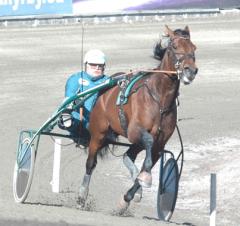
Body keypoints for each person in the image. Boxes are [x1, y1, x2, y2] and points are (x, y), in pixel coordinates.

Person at [58, 49, 109, 143]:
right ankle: (67, 121)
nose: (97, 68)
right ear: (86, 65)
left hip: (99, 123)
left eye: (100, 65)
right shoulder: (76, 78)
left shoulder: (108, 81)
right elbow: (69, 97)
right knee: (69, 105)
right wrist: (76, 102)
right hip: (79, 120)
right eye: (93, 65)